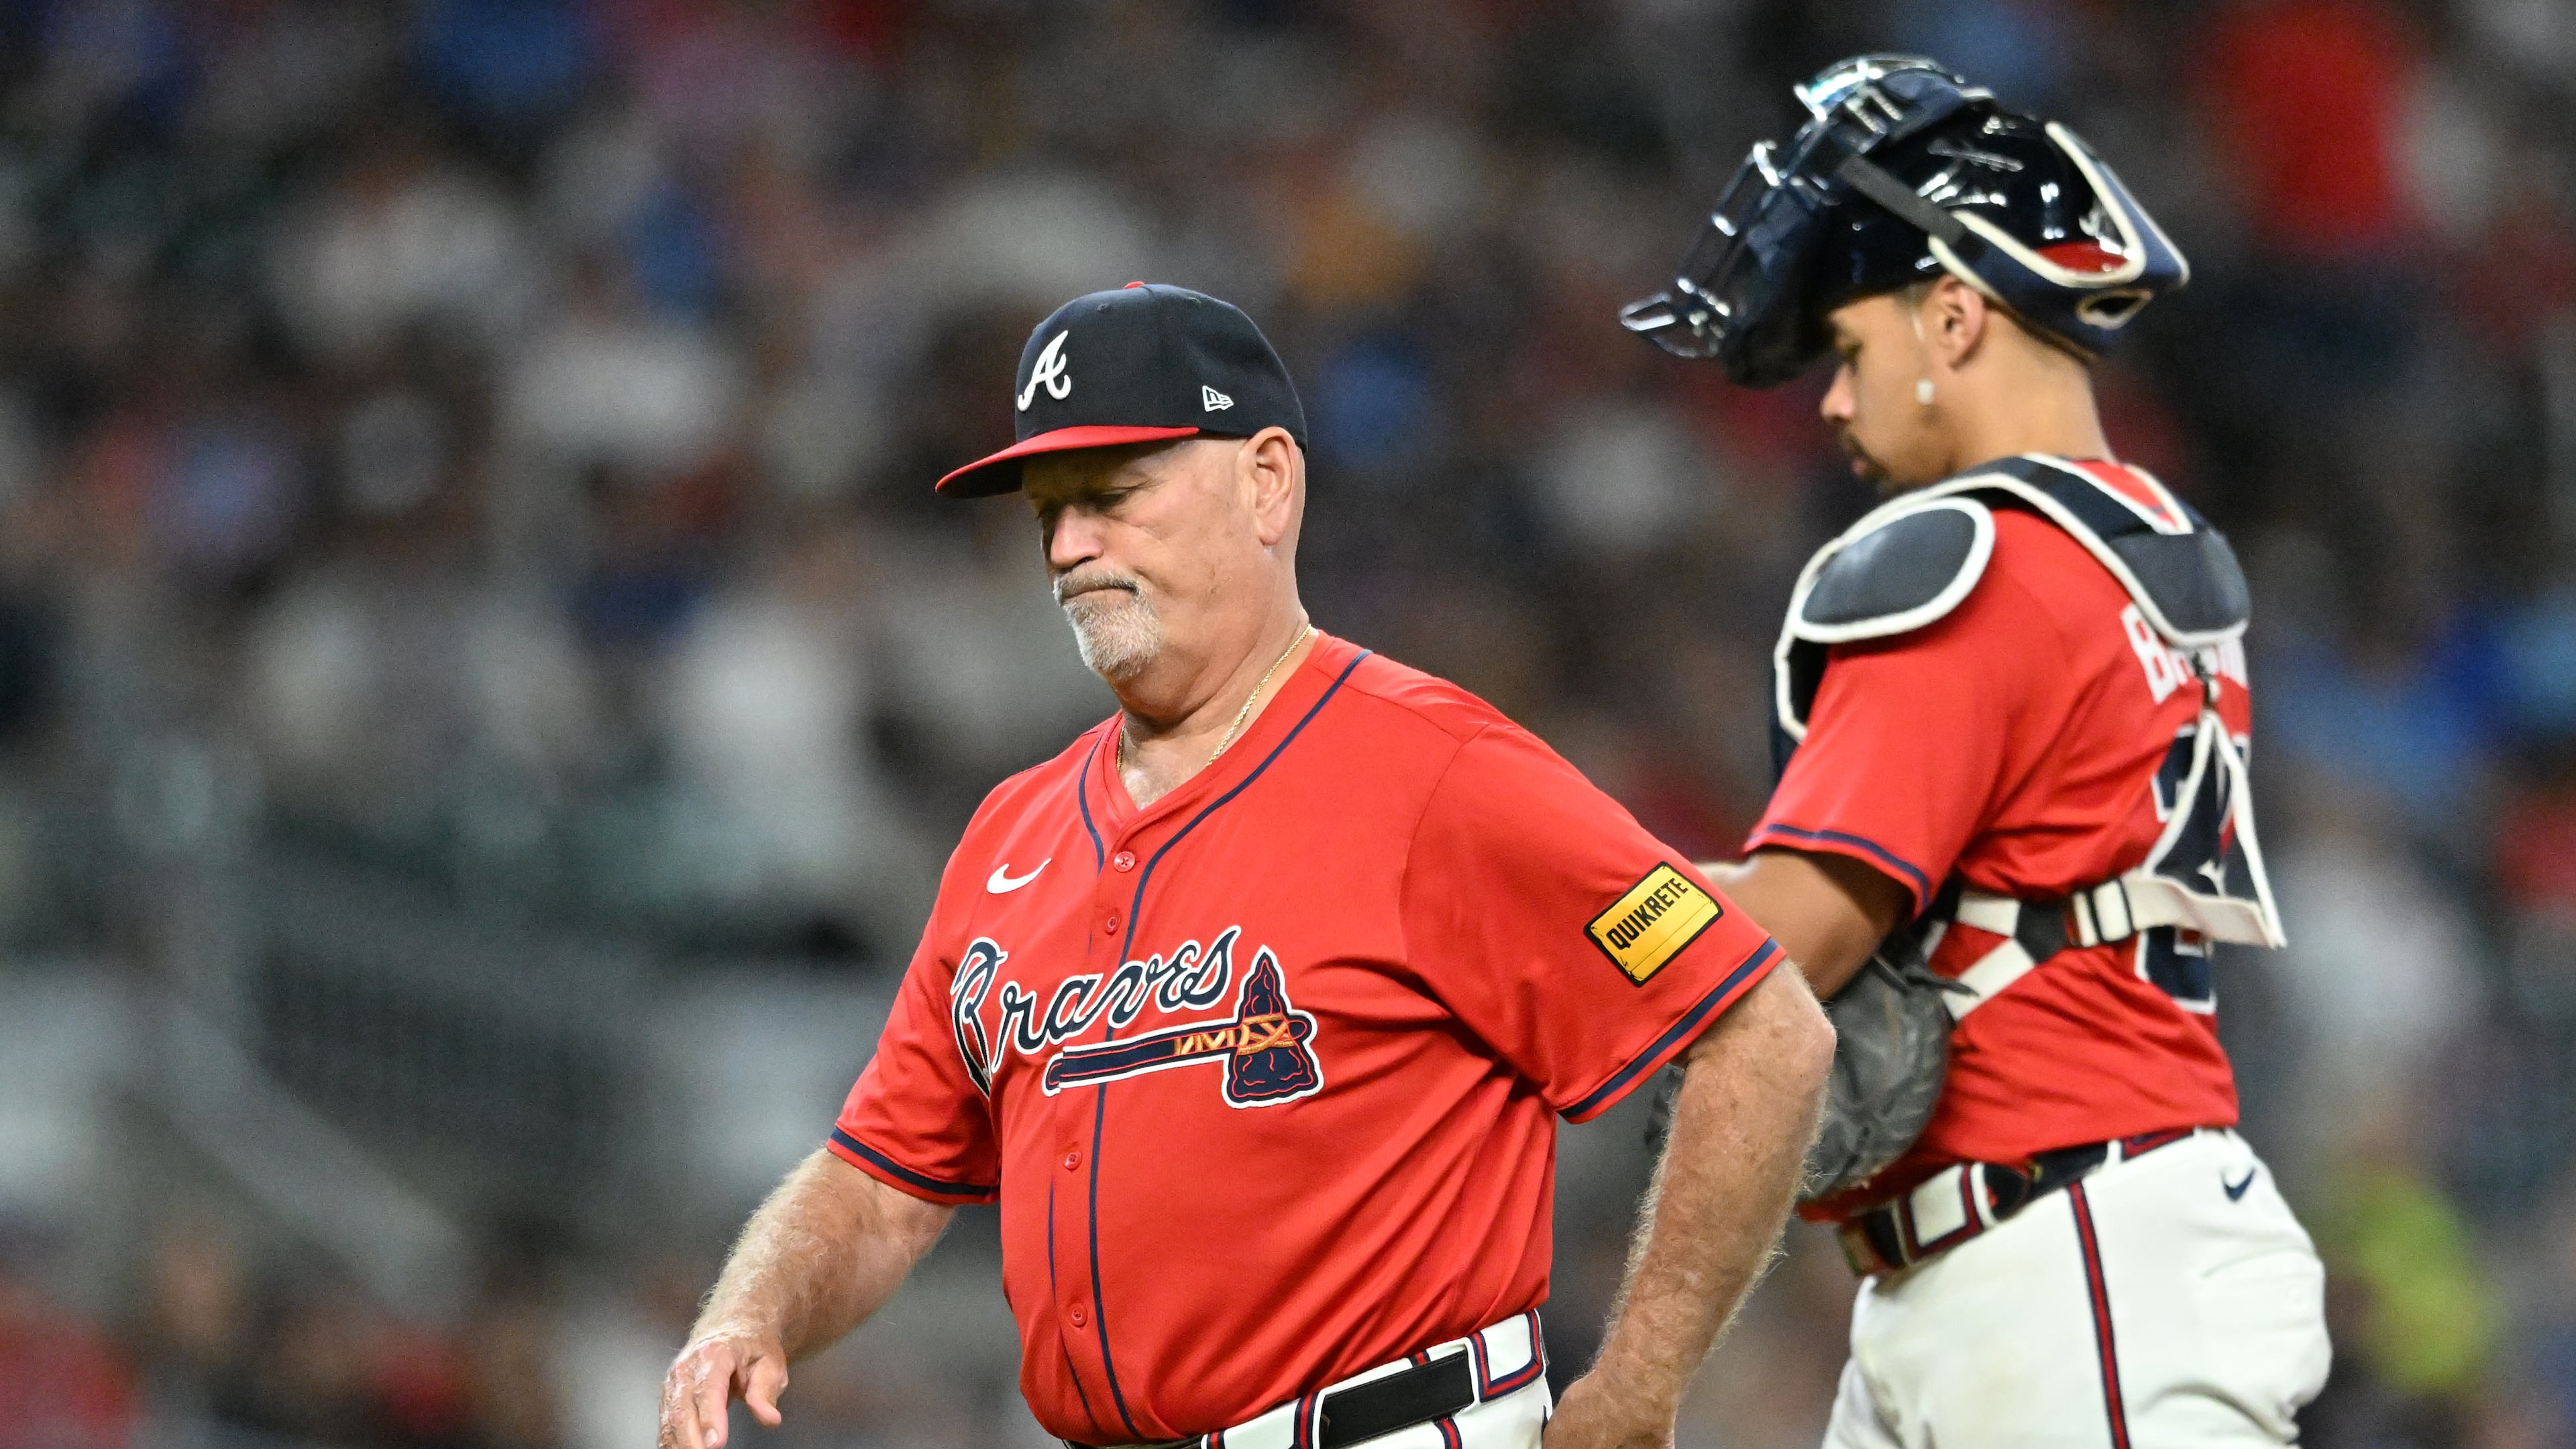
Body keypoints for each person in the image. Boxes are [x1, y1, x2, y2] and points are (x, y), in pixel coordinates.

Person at [657, 282, 1837, 1449]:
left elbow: (1763, 1028)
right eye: (1048, 512)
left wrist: (1637, 1385)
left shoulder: (1438, 773)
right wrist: (746, 1312)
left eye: (1114, 495)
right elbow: (881, 1179)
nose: (1071, 546)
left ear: (1267, 480)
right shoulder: (1010, 835)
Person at [1622, 56, 2331, 1449]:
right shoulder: (2141, 546)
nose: (1832, 401)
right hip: (2051, 1259)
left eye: (1850, 346)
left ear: (1954, 315)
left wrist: (1547, 892)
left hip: (2066, 1271)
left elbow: (1793, 939)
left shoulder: (1967, 560)